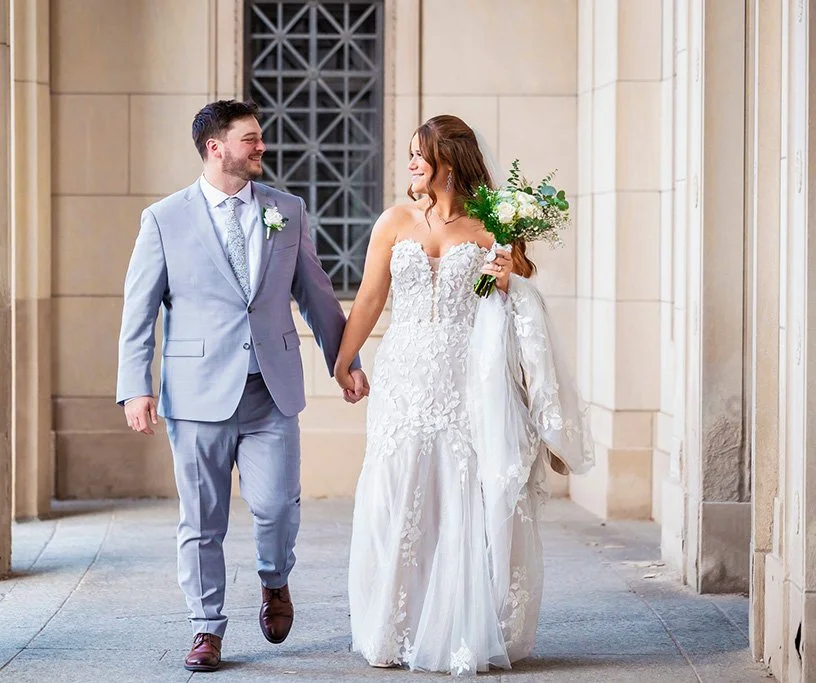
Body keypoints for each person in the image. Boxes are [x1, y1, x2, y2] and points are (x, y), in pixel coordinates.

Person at [116, 100, 369, 673]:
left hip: (270, 390)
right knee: (201, 519)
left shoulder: (287, 209)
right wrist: (136, 385)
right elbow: (140, 310)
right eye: (250, 139)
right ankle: (206, 628)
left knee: (277, 506)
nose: (261, 148)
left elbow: (316, 293)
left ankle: (274, 580)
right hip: (197, 392)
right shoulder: (164, 219)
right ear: (216, 148)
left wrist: (344, 359)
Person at [335, 115, 592, 675]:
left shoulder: (491, 228)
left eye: (417, 156)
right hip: (403, 375)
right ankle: (396, 625)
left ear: (446, 162)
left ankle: (457, 627)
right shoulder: (394, 221)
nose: (409, 166)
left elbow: (500, 298)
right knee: (396, 490)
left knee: (459, 491)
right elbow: (371, 298)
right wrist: (343, 359)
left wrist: (504, 277)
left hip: (463, 377)